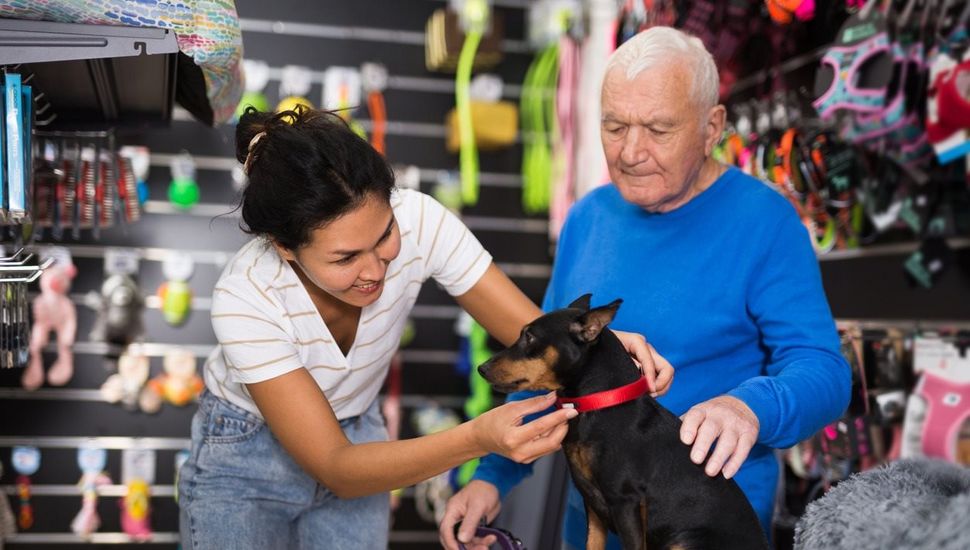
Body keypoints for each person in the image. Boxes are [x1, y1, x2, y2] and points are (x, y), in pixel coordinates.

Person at [176, 106, 672, 550]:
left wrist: (601, 347)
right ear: (284, 247)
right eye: (346, 257)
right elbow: (336, 467)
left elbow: (529, 331)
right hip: (244, 455)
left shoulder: (420, 221)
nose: (375, 270)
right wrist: (480, 438)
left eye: (384, 235)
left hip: (359, 427)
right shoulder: (246, 297)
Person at [440, 26, 852, 550]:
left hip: (706, 529)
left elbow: (826, 372)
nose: (631, 151)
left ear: (712, 127)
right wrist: (490, 477)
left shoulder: (766, 221)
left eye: (658, 129)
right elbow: (549, 369)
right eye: (614, 127)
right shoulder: (587, 216)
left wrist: (750, 407)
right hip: (592, 525)